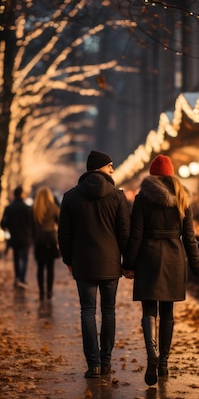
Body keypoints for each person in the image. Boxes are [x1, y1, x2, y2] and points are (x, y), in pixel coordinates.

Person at [122, 154, 199, 386]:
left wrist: (128, 263)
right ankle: (165, 363)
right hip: (174, 257)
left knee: (149, 307)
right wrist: (196, 265)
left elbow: (136, 234)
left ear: (152, 175)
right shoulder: (182, 197)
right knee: (168, 312)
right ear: (171, 173)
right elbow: (189, 236)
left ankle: (152, 355)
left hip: (148, 255)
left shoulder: (142, 198)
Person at [58, 150, 131, 378]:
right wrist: (127, 262)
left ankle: (93, 364)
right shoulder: (118, 198)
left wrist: (69, 260)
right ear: (100, 168)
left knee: (87, 311)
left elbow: (64, 235)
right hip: (110, 264)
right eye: (110, 166)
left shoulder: (70, 197)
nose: (113, 170)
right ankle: (106, 361)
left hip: (83, 264)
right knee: (108, 311)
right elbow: (125, 234)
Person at [0, 186, 34, 288]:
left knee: (16, 258)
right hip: (25, 238)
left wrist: (8, 229)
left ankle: (17, 277)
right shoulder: (27, 209)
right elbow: (32, 224)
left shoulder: (9, 208)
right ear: (22, 194)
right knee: (24, 259)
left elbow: (2, 224)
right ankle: (22, 279)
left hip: (14, 237)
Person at [33, 187, 61, 300]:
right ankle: (49, 292)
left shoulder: (34, 209)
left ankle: (41, 292)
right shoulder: (54, 208)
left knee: (40, 268)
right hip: (50, 240)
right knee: (50, 268)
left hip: (39, 240)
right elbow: (60, 223)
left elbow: (32, 227)